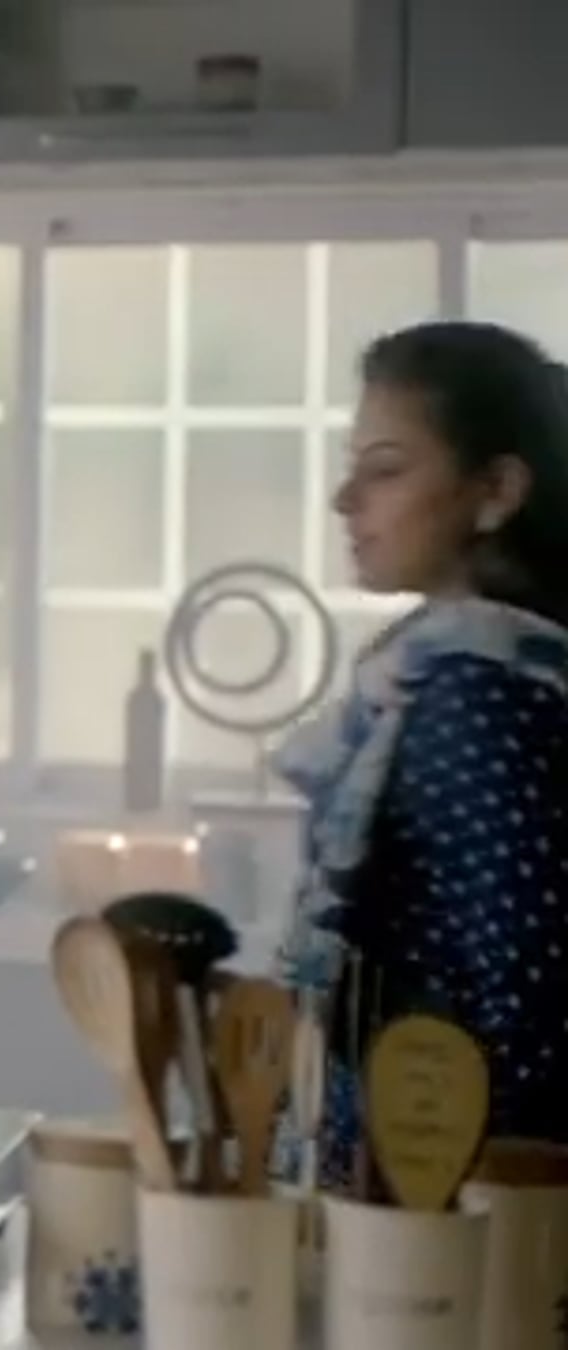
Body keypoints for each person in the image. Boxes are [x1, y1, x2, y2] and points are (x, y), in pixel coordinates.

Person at [274, 320, 568, 1195]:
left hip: (454, 1203)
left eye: (387, 468)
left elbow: (531, 997)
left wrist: (425, 1179)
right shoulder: (454, 671)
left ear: (495, 491)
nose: (345, 500)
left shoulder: (477, 697)